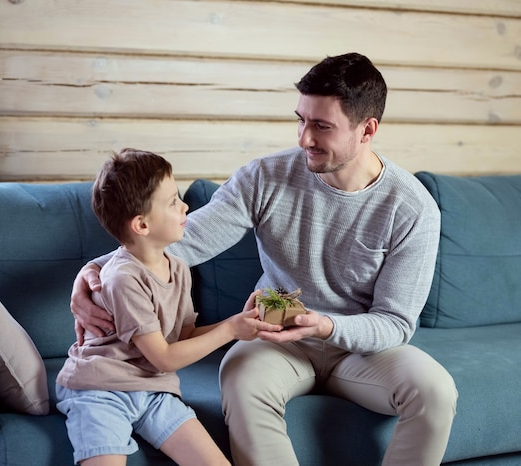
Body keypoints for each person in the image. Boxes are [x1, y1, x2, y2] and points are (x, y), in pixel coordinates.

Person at [71, 54, 458, 466]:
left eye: (321, 126)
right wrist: (97, 269)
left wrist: (327, 325)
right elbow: (183, 240)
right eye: (301, 120)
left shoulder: (412, 208)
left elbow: (395, 322)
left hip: (362, 351)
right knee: (240, 378)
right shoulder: (266, 177)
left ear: (367, 130)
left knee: (435, 391)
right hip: (275, 341)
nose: (304, 138)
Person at [56, 148, 281, 466]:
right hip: (100, 389)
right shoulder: (122, 278)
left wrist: (240, 322)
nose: (186, 206)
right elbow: (163, 355)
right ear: (142, 225)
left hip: (154, 389)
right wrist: (231, 330)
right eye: (173, 201)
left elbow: (183, 335)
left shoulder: (176, 267)